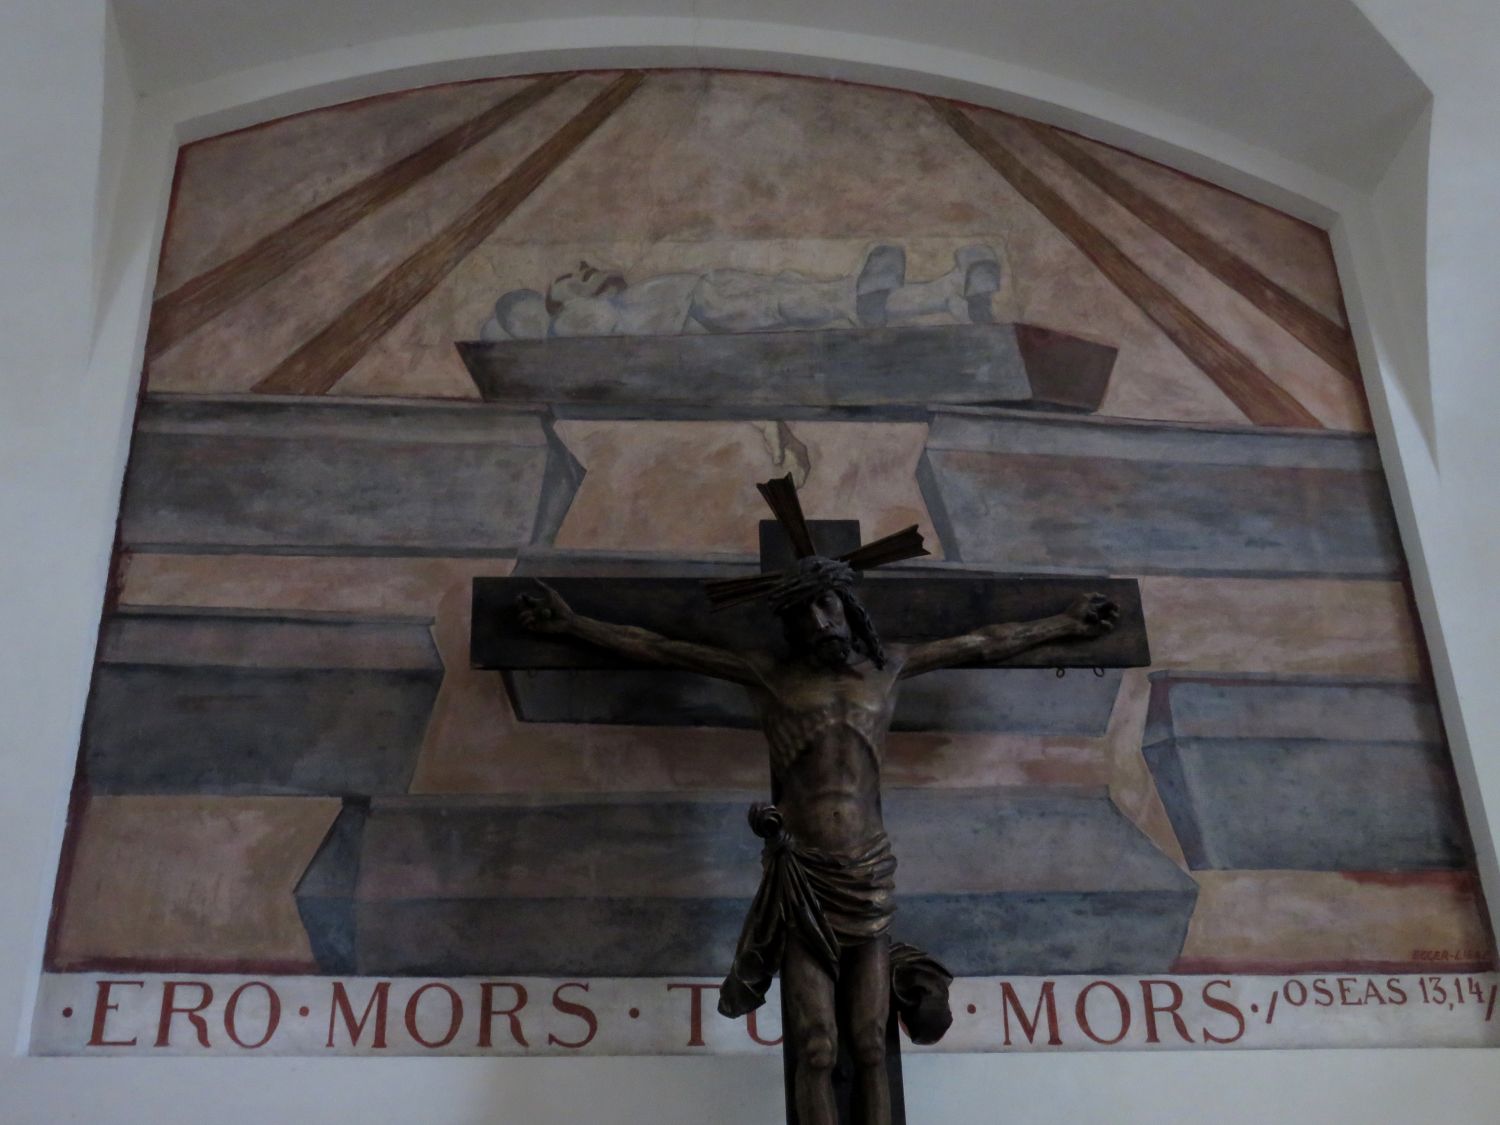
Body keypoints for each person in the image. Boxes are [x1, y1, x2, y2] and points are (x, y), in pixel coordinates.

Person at [516, 526, 1117, 1125]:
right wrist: (572, 626)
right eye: (802, 613)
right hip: (803, 876)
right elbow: (661, 648)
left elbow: (986, 640)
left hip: (869, 870)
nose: (818, 622)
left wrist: (1066, 623)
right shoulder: (769, 675)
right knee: (816, 1044)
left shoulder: (891, 667)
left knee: (870, 1043)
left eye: (825, 604)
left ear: (848, 605)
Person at [480, 242, 1002, 340]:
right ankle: (944, 290)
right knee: (787, 299)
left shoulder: (578, 320)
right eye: (538, 303)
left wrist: (593, 284)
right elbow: (603, 318)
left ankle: (947, 292)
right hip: (700, 305)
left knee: (791, 293)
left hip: (701, 296)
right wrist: (576, 293)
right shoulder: (567, 329)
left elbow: (613, 302)